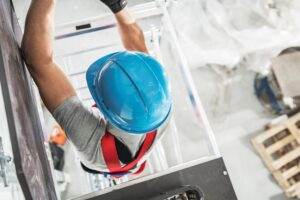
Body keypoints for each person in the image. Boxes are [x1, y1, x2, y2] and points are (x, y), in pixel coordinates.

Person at [22, 0, 172, 177]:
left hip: (104, 160)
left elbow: (38, 62)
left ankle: (129, 168)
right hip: (134, 149)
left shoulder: (94, 150)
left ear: (102, 109)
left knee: (92, 162)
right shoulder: (157, 94)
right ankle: (134, 168)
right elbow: (138, 48)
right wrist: (118, 6)